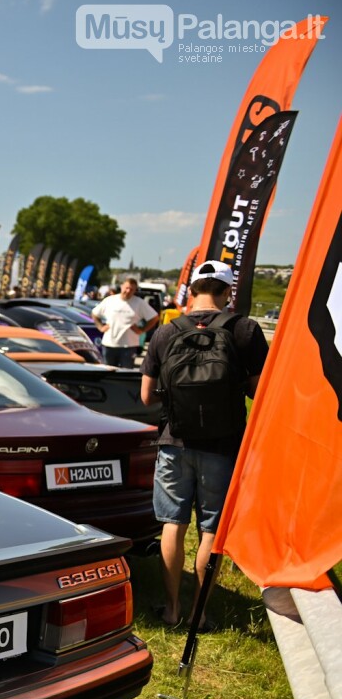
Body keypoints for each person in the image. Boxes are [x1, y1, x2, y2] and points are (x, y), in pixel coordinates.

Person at [139, 261, 269, 628]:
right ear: (228, 292)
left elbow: (147, 396)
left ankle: (172, 609)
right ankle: (199, 613)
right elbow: (259, 392)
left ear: (193, 291)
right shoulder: (245, 329)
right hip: (223, 445)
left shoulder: (166, 332)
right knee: (211, 529)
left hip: (173, 443)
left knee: (172, 523)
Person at [93, 278, 158, 368]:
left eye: (131, 289)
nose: (128, 291)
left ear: (135, 290)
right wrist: (100, 327)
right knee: (108, 371)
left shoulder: (139, 303)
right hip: (109, 344)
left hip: (129, 346)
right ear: (122, 287)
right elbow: (95, 314)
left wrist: (142, 330)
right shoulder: (110, 300)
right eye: (126, 288)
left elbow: (154, 318)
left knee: (126, 371)